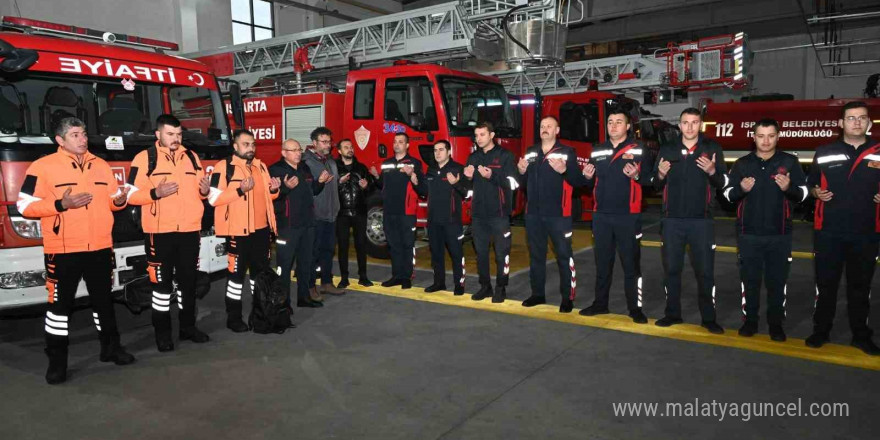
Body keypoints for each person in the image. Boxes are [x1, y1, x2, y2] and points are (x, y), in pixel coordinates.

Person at [17, 117, 135, 384]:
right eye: (75, 135)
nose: (82, 139)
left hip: (100, 246)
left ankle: (111, 348)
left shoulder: (101, 165)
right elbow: (24, 206)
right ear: (60, 140)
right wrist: (60, 204)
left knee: (104, 302)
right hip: (64, 249)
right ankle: (57, 363)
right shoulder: (42, 167)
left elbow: (112, 201)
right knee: (59, 308)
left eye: (83, 134)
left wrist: (118, 201)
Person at [127, 114, 210, 351]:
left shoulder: (192, 158)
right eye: (170, 134)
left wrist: (204, 191)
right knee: (161, 288)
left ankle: (187, 328)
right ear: (158, 134)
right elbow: (130, 195)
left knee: (188, 284)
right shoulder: (144, 159)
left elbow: (201, 192)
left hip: (189, 231)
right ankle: (162, 334)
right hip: (159, 233)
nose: (176, 139)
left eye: (179, 134)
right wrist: (155, 193)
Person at [723, 119, 807, 341]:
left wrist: (790, 188)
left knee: (777, 283)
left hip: (779, 234)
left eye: (771, 135)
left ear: (778, 137)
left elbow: (805, 194)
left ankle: (776, 324)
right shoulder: (742, 164)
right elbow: (727, 196)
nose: (766, 140)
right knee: (749, 281)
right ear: (754, 137)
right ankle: (750, 321)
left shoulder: (790, 162)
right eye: (761, 136)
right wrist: (740, 189)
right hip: (748, 234)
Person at [807, 101, 880, 355]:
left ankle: (861, 335)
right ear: (841, 123)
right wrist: (815, 191)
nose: (856, 122)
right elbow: (811, 182)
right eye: (851, 118)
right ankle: (821, 331)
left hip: (867, 231)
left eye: (861, 118)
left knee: (860, 288)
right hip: (829, 230)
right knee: (826, 285)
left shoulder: (879, 150)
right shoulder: (824, 151)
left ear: (869, 123)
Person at [650, 108, 728, 334]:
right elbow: (655, 183)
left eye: (695, 122)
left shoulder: (711, 148)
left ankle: (709, 318)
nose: (690, 127)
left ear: (701, 125)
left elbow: (723, 182)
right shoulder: (668, 149)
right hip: (672, 221)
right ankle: (672, 313)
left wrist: (713, 171)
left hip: (701, 221)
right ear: (679, 125)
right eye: (685, 122)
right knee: (672, 269)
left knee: (705, 271)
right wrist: (661, 175)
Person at [580, 108, 653, 324]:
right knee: (603, 264)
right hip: (601, 215)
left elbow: (650, 180)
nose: (613, 125)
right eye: (610, 122)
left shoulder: (639, 149)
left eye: (618, 122)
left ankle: (635, 308)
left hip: (628, 216)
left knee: (631, 265)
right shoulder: (597, 150)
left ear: (628, 126)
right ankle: (600, 304)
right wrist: (585, 177)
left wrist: (637, 175)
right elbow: (588, 181)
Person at [206, 129, 281, 332]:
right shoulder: (223, 167)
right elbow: (213, 199)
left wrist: (274, 189)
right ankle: (234, 318)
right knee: (236, 279)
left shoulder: (260, 166)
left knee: (260, 276)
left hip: (261, 231)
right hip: (237, 233)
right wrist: (239, 190)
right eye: (246, 144)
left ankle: (260, 314)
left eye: (253, 144)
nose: (251, 148)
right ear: (235, 146)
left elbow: (268, 197)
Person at [517, 116, 590, 313]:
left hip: (559, 214)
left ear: (557, 130)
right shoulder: (531, 152)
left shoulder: (567, 152)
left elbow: (579, 182)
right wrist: (521, 172)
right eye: (542, 126)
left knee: (564, 256)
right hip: (533, 214)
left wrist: (565, 170)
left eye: (549, 126)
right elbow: (523, 185)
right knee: (536, 256)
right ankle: (537, 294)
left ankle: (567, 298)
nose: (545, 129)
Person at [271, 139, 332, 308]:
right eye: (293, 150)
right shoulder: (276, 170)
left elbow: (312, 191)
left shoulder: (304, 168)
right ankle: (283, 303)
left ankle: (303, 298)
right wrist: (285, 188)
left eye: (299, 149)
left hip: (307, 224)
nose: (298, 153)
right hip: (288, 226)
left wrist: (320, 181)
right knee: (284, 266)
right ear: (284, 153)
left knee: (305, 264)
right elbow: (271, 196)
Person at [464, 122, 517, 302]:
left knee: (502, 253)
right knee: (481, 253)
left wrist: (492, 176)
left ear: (492, 135)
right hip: (478, 214)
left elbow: (513, 183)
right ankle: (485, 286)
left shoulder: (505, 156)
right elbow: (466, 189)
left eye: (482, 134)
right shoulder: (473, 158)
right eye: (476, 135)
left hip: (499, 214)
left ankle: (501, 287)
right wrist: (467, 179)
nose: (478, 138)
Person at [369, 132, 424, 289]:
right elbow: (382, 186)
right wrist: (375, 176)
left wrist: (411, 174)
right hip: (389, 211)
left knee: (407, 244)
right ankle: (396, 276)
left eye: (400, 142)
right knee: (393, 245)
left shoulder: (414, 163)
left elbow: (420, 184)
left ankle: (406, 277)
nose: (397, 144)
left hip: (406, 212)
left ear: (407, 145)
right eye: (395, 142)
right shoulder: (387, 163)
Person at [415, 140, 469, 295]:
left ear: (449, 152)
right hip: (433, 221)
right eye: (435, 150)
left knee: (456, 253)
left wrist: (456, 184)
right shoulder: (431, 170)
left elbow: (466, 193)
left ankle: (459, 285)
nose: (437, 153)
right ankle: (439, 283)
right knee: (437, 254)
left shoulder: (457, 169)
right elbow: (424, 192)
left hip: (452, 221)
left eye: (441, 150)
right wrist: (416, 183)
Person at [303, 127, 344, 297]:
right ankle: (310, 286)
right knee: (313, 253)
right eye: (324, 142)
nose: (328, 145)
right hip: (316, 216)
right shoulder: (307, 162)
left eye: (329, 142)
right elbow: (307, 190)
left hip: (331, 215)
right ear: (314, 143)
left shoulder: (331, 162)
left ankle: (326, 283)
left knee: (328, 251)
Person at [335, 138, 373, 288]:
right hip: (341, 213)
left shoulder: (362, 168)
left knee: (361, 245)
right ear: (339, 151)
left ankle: (363, 276)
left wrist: (366, 186)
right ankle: (344, 278)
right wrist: (338, 182)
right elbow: (328, 189)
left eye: (351, 147)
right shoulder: (334, 168)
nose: (350, 149)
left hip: (359, 212)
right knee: (343, 246)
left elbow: (370, 189)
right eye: (346, 147)